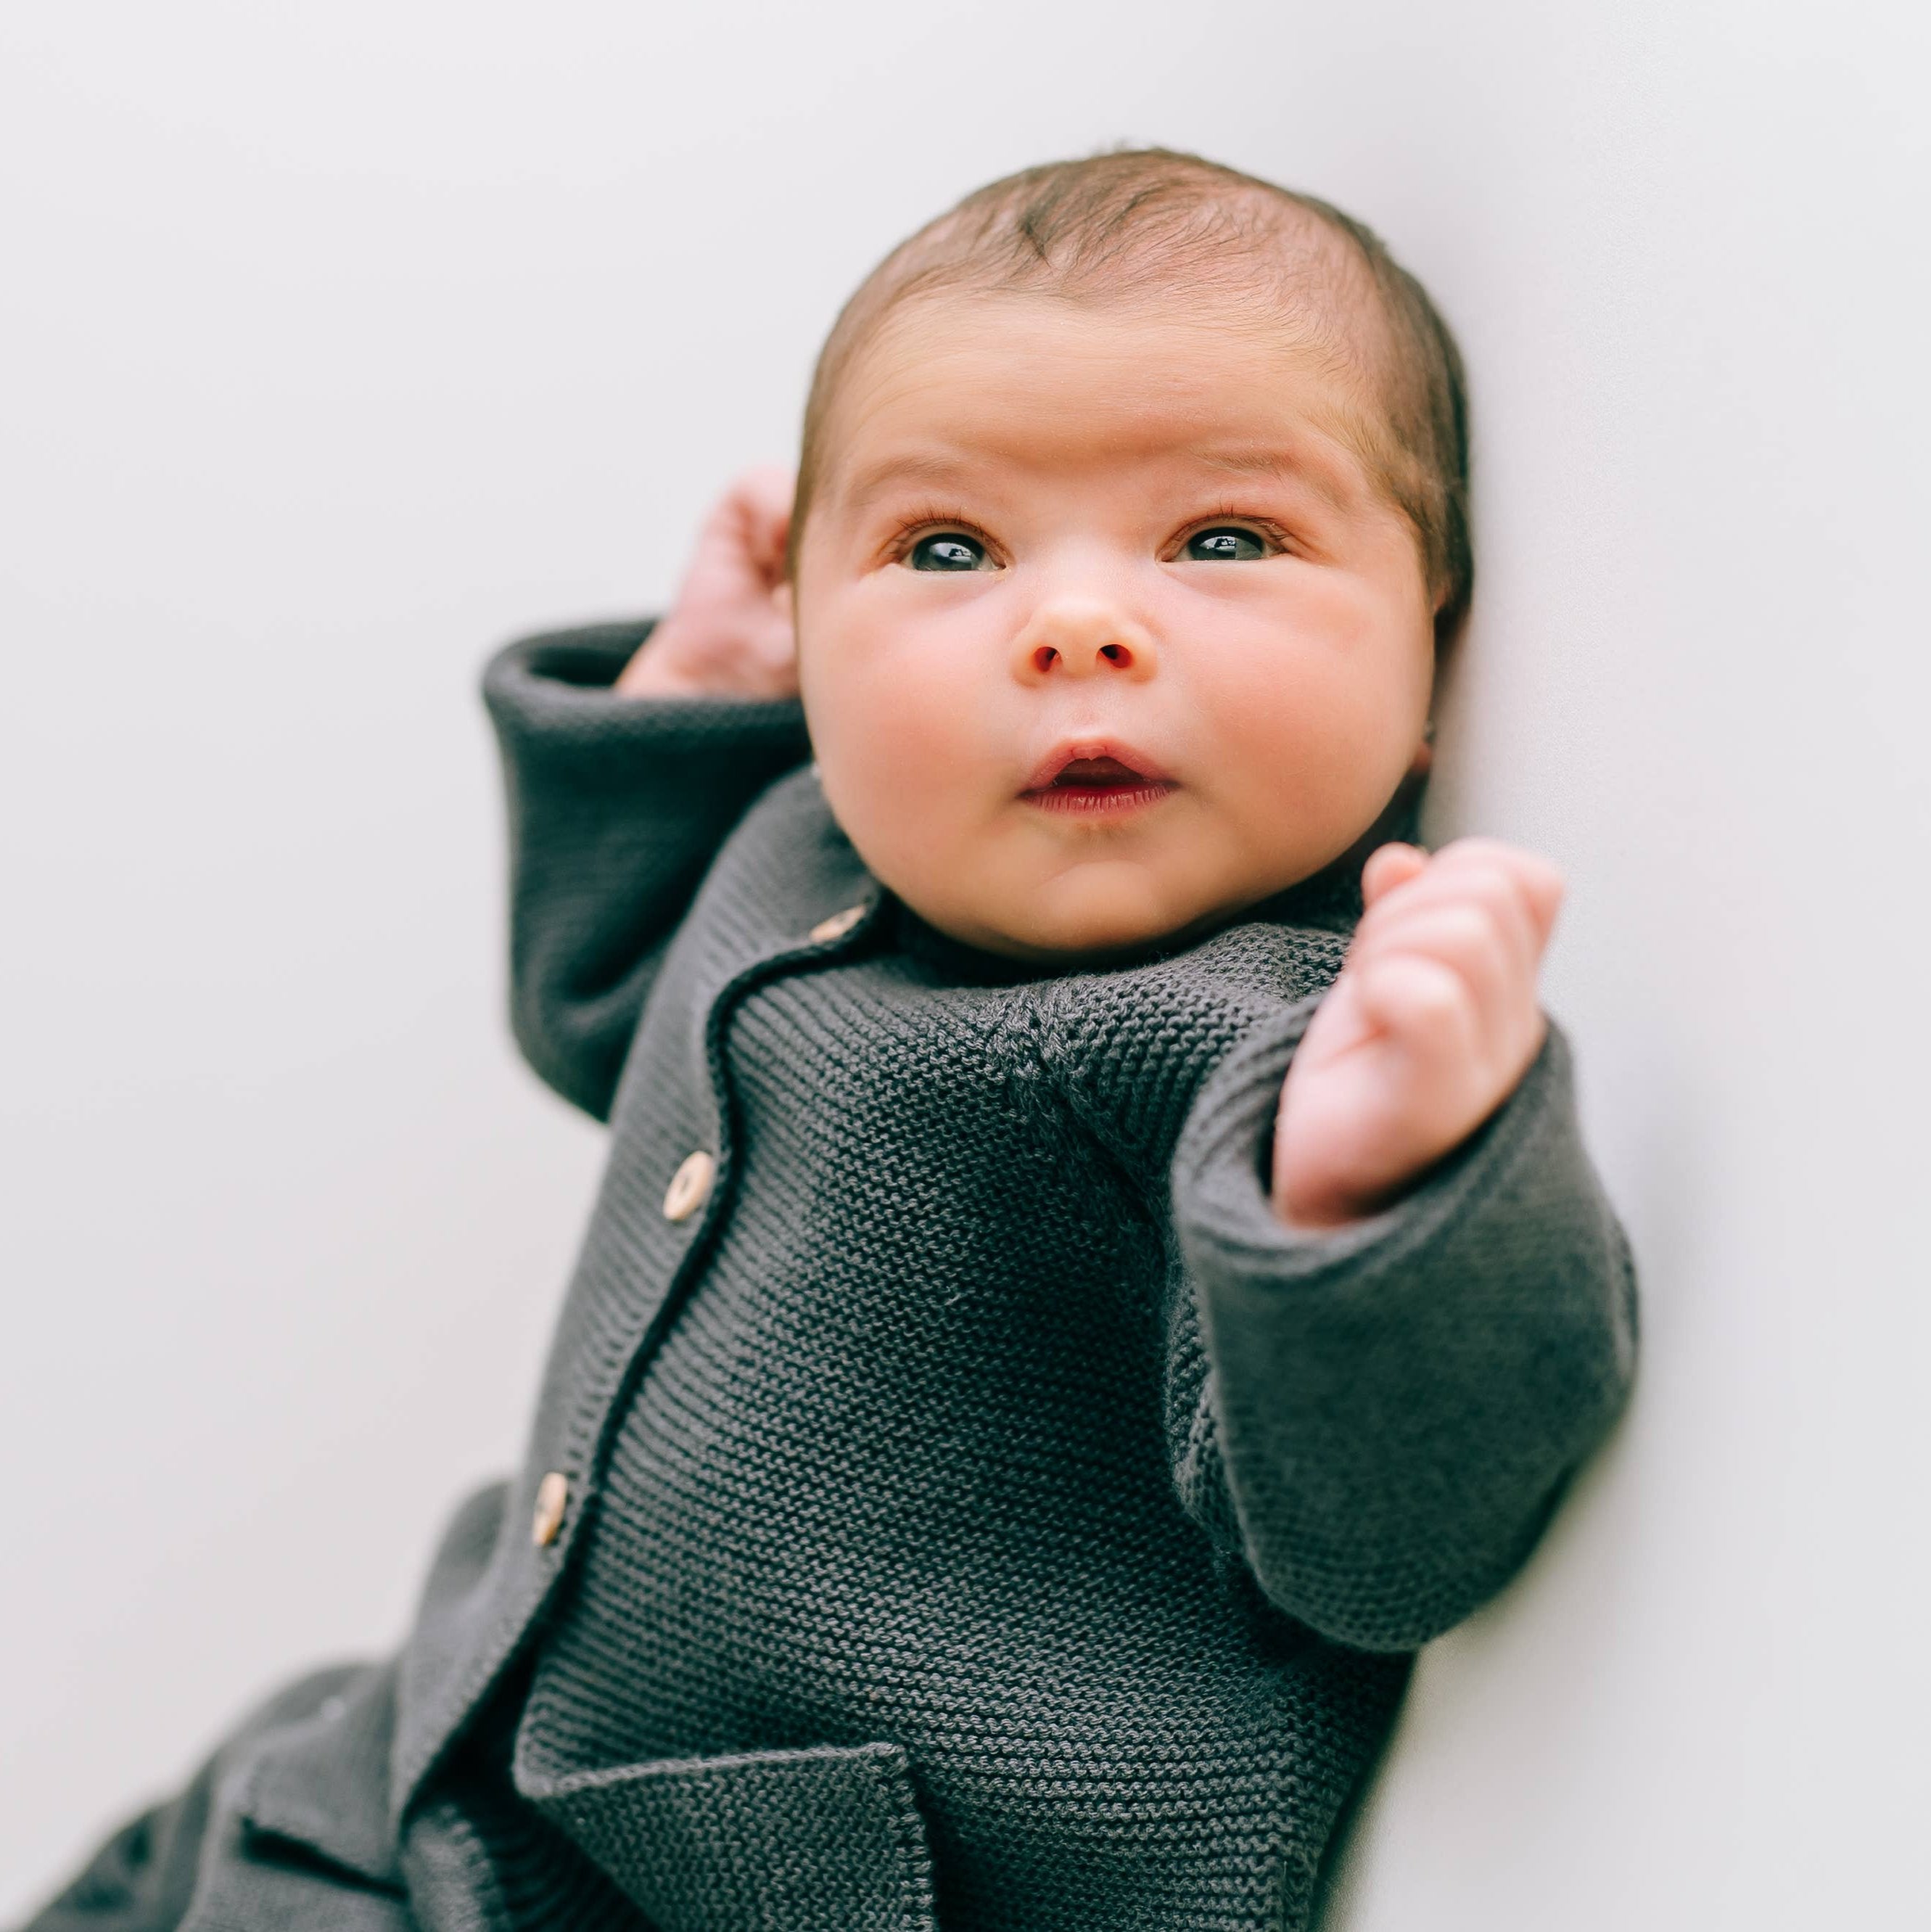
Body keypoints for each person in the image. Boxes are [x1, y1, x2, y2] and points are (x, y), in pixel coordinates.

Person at [25, 147, 1638, 1932]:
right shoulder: (808, 836)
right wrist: (691, 717)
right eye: (944, 548)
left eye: (1224, 540)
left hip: (728, 1888)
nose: (1073, 623)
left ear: (1434, 647)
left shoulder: (1245, 1057)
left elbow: (1388, 1543)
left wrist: (1385, 1190)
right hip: (430, 1739)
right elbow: (598, 1022)